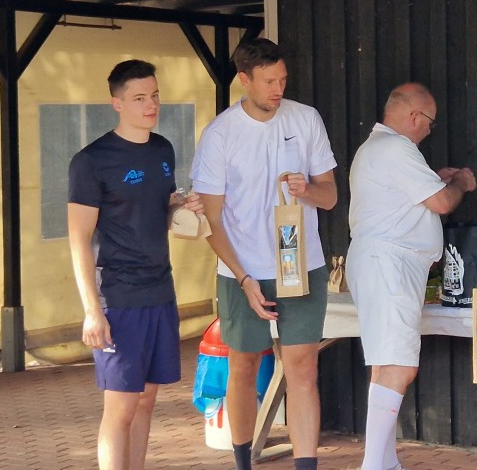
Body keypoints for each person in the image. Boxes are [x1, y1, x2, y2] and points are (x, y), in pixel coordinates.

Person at [192, 38, 338, 470]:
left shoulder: (306, 118)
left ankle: (306, 464)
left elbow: (330, 197)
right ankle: (243, 461)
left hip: (302, 266)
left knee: (302, 368)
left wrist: (306, 190)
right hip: (242, 269)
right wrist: (244, 278)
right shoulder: (220, 134)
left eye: (283, 80)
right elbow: (210, 222)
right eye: (269, 81)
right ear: (244, 79)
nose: (278, 89)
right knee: (243, 364)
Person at [66, 60, 203, 470]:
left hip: (160, 291)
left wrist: (181, 205)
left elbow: (158, 209)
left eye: (155, 96)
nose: (151, 105)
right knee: (121, 407)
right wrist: (92, 311)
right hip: (118, 297)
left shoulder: (163, 150)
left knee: (146, 401)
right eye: (139, 98)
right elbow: (78, 238)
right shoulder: (91, 161)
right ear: (117, 104)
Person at [346, 83, 477, 470]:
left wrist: (435, 178)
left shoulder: (377, 148)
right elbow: (441, 202)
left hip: (382, 262)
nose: (429, 131)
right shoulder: (396, 147)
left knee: (387, 364)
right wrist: (460, 182)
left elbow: (409, 197)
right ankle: (374, 465)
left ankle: (385, 462)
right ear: (416, 117)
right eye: (430, 123)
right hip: (389, 264)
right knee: (399, 366)